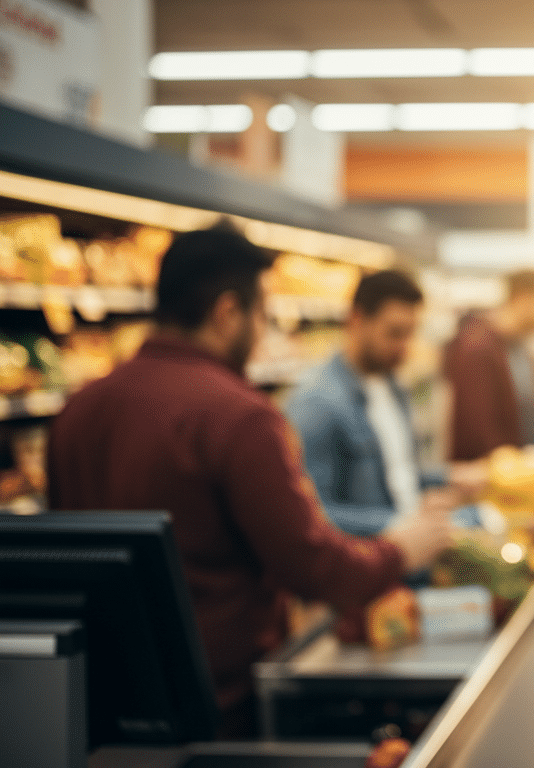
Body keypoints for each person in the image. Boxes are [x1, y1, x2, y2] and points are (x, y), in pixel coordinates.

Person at [46, 226, 454, 738]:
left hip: (102, 704)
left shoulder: (77, 413)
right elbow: (311, 565)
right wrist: (400, 549)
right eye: (262, 314)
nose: (263, 333)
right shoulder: (240, 417)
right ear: (227, 313)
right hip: (220, 705)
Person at [285, 269, 477, 536]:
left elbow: (398, 472)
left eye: (411, 333)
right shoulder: (316, 404)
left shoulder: (393, 386)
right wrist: (403, 524)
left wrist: (451, 477)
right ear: (357, 319)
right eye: (395, 333)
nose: (405, 347)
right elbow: (313, 514)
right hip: (375, 559)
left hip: (413, 542)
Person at [443, 269, 534, 461]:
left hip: (521, 471)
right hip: (494, 479)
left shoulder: (520, 347)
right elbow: (477, 433)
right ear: (524, 299)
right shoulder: (478, 349)